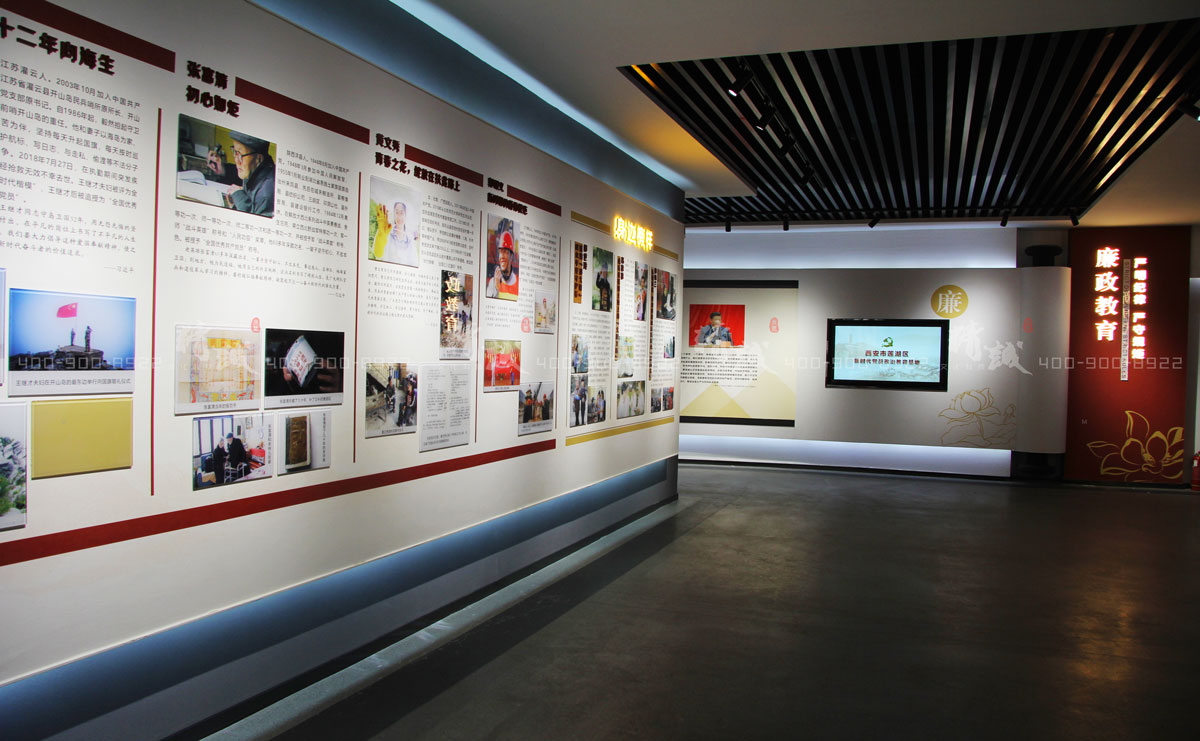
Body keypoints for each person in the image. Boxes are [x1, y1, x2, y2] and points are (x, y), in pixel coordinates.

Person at [223, 131, 275, 217]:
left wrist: (239, 198)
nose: (236, 161)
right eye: (235, 152)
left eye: (240, 155)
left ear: (258, 159)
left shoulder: (265, 195)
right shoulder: (253, 170)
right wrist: (235, 206)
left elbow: (251, 222)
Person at [486, 220, 518, 299]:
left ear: (511, 256)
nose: (502, 256)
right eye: (500, 252)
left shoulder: (518, 284)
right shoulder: (492, 282)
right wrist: (496, 287)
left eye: (505, 252)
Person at [384, 200, 418, 266]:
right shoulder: (388, 234)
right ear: (394, 214)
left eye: (402, 213)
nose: (399, 216)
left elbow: (414, 262)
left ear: (405, 215)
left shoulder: (410, 239)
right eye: (397, 212)